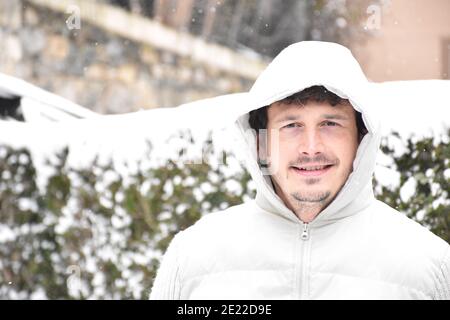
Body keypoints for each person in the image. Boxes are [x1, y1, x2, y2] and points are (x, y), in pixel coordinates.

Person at [150, 41, 450, 299]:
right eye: (291, 125)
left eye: (330, 124)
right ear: (261, 142)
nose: (311, 147)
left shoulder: (428, 267)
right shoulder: (192, 258)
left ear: (361, 137)